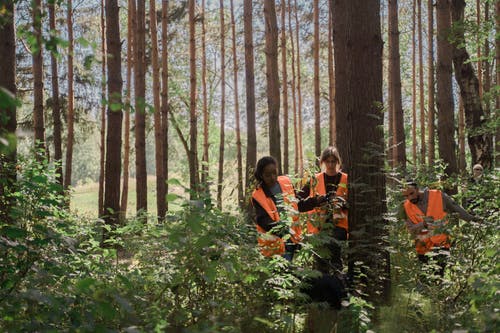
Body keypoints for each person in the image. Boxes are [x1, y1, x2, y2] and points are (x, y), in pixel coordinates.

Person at [401, 180, 478, 276]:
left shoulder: (437, 195)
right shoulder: (406, 206)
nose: (410, 198)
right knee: (425, 279)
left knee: (439, 277)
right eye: (406, 196)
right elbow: (411, 230)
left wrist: (474, 221)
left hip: (441, 243)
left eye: (411, 193)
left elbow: (456, 209)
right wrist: (423, 224)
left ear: (417, 189)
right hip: (422, 247)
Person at [297, 146, 349, 273]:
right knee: (320, 263)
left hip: (339, 227)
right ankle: (320, 290)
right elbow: (298, 200)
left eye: (333, 161)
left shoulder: (346, 179)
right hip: (318, 228)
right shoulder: (315, 179)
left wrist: (342, 204)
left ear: (338, 162)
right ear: (323, 162)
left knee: (336, 262)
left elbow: (353, 204)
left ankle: (339, 289)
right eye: (328, 161)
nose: (330, 165)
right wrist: (315, 201)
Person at [251, 156, 303, 261]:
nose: (273, 177)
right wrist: (281, 229)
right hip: (273, 245)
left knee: (288, 273)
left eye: (274, 173)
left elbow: (298, 204)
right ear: (261, 175)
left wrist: (316, 201)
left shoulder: (286, 182)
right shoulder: (258, 194)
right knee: (280, 274)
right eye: (268, 175)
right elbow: (262, 220)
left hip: (292, 239)